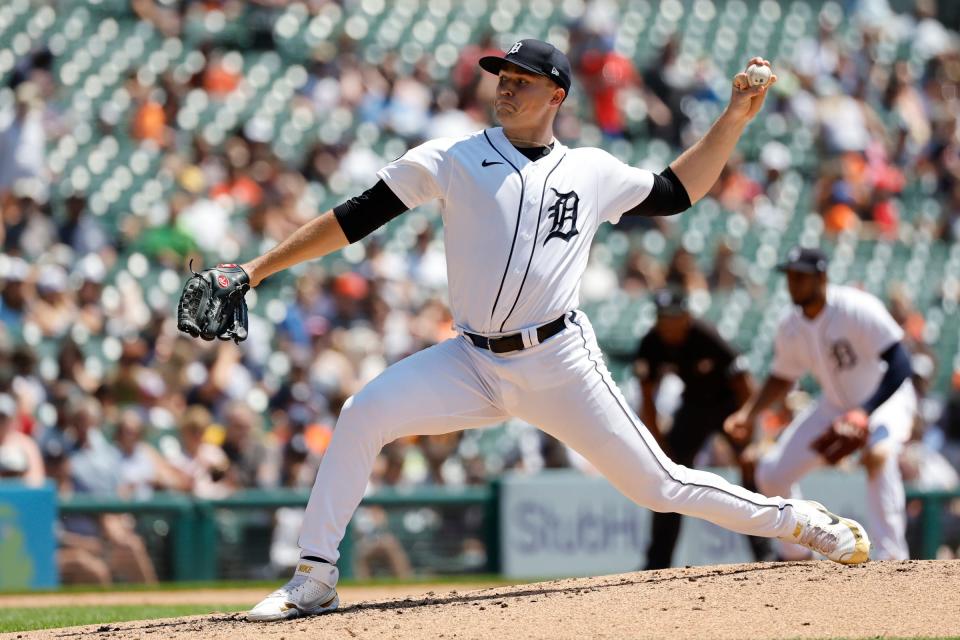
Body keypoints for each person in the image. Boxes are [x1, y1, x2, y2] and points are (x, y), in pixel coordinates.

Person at [189, 40, 868, 621]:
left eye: (520, 81)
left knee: (658, 485)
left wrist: (733, 119)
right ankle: (315, 577)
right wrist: (256, 268)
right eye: (501, 79)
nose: (505, 88)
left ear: (556, 94)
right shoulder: (452, 157)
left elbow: (676, 192)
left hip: (559, 362)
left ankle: (802, 524)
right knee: (362, 412)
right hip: (471, 361)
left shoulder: (591, 170)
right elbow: (354, 217)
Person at [725, 247, 917, 561]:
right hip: (834, 406)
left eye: (801, 276)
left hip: (886, 400)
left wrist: (864, 412)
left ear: (822, 277)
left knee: (879, 455)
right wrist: (749, 413)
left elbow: (900, 362)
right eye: (789, 276)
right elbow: (781, 376)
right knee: (772, 474)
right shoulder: (790, 325)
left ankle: (892, 559)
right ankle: (797, 555)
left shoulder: (856, 307)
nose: (793, 283)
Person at [635, 289, 773, 569]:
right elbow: (646, 395)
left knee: (751, 468)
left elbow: (744, 381)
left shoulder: (705, 335)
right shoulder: (652, 342)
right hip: (694, 407)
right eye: (662, 318)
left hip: (729, 406)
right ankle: (657, 562)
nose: (667, 324)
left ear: (686, 316)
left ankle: (766, 552)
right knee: (668, 473)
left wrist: (751, 434)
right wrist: (660, 442)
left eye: (673, 318)